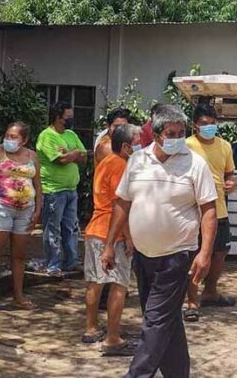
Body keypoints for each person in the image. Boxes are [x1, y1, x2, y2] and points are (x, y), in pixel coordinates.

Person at [101, 104, 218, 378]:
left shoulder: (195, 164)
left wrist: (205, 253)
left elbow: (209, 211)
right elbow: (122, 203)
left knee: (155, 321)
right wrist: (109, 244)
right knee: (166, 322)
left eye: (181, 133)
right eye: (171, 133)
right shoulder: (137, 161)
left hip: (176, 257)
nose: (177, 138)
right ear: (156, 135)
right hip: (144, 256)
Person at [83, 124, 141, 355]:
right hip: (111, 232)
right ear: (126, 146)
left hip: (96, 228)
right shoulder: (120, 165)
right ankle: (113, 338)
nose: (140, 146)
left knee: (95, 282)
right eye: (137, 142)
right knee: (119, 285)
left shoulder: (106, 162)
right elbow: (121, 206)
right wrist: (128, 237)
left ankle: (91, 328)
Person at [0, 122, 42, 318]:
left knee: (20, 254)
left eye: (14, 137)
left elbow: (38, 184)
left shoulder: (32, 156)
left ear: (24, 140)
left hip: (25, 210)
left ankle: (18, 295)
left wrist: (38, 209)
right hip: (0, 208)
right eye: (7, 135)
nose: (9, 139)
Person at [184, 104, 236, 322]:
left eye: (213, 124)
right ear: (195, 125)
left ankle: (210, 292)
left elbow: (229, 174)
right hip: (194, 211)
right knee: (195, 255)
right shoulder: (187, 146)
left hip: (219, 209)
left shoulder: (225, 146)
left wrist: (232, 183)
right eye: (205, 124)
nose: (209, 127)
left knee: (219, 253)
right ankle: (192, 301)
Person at [37, 102, 87, 275]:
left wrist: (71, 154)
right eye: (68, 117)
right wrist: (74, 153)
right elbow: (61, 160)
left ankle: (71, 261)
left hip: (71, 189)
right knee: (53, 228)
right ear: (58, 117)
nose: (71, 120)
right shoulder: (47, 136)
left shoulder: (71, 134)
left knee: (70, 227)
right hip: (53, 190)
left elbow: (83, 157)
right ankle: (53, 264)